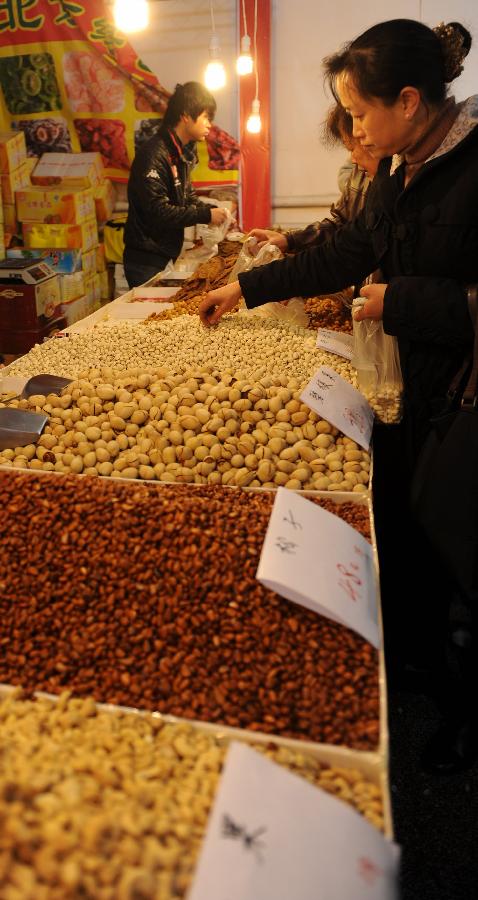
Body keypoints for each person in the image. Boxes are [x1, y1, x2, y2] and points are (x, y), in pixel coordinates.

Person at [199, 20, 478, 773]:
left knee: (452, 529)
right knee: (411, 528)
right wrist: (246, 288)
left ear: (411, 102)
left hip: (463, 398)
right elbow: (349, 250)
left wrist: (402, 301)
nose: (352, 130)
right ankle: (417, 666)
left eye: (358, 114)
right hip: (404, 388)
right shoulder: (397, 166)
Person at [123, 81, 229, 288]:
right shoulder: (154, 154)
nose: (209, 124)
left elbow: (187, 198)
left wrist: (214, 212)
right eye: (206, 117)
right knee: (149, 318)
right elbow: (158, 211)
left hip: (164, 255)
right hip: (145, 259)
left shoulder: (182, 153)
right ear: (186, 115)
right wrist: (206, 216)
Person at [248, 103, 378, 257]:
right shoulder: (358, 174)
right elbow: (340, 224)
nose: (353, 159)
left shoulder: (397, 183)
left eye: (352, 148)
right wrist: (289, 240)